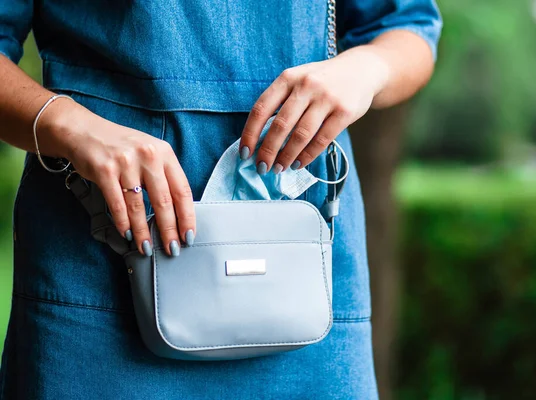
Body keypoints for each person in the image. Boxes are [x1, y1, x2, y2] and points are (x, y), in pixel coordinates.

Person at [0, 0, 442, 398]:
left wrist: (366, 68)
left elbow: (407, 26)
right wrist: (70, 127)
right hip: (99, 253)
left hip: (304, 265)